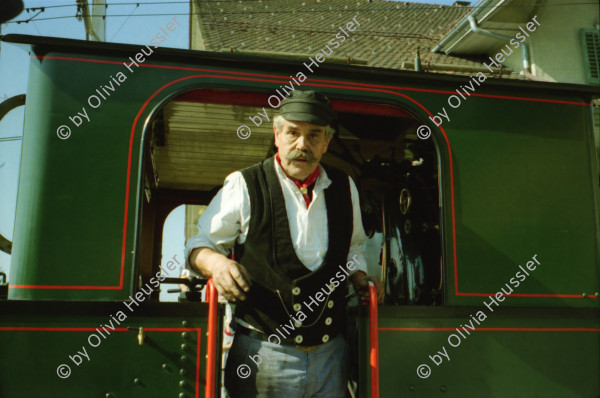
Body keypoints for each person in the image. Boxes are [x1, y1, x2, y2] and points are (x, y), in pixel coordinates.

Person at [185, 90, 384, 398]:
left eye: (313, 135)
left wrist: (359, 276)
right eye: (293, 132)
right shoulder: (244, 184)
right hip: (262, 352)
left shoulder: (345, 188)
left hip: (332, 354)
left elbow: (353, 249)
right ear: (277, 134)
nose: (302, 145)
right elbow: (200, 244)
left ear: (326, 143)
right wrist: (217, 264)